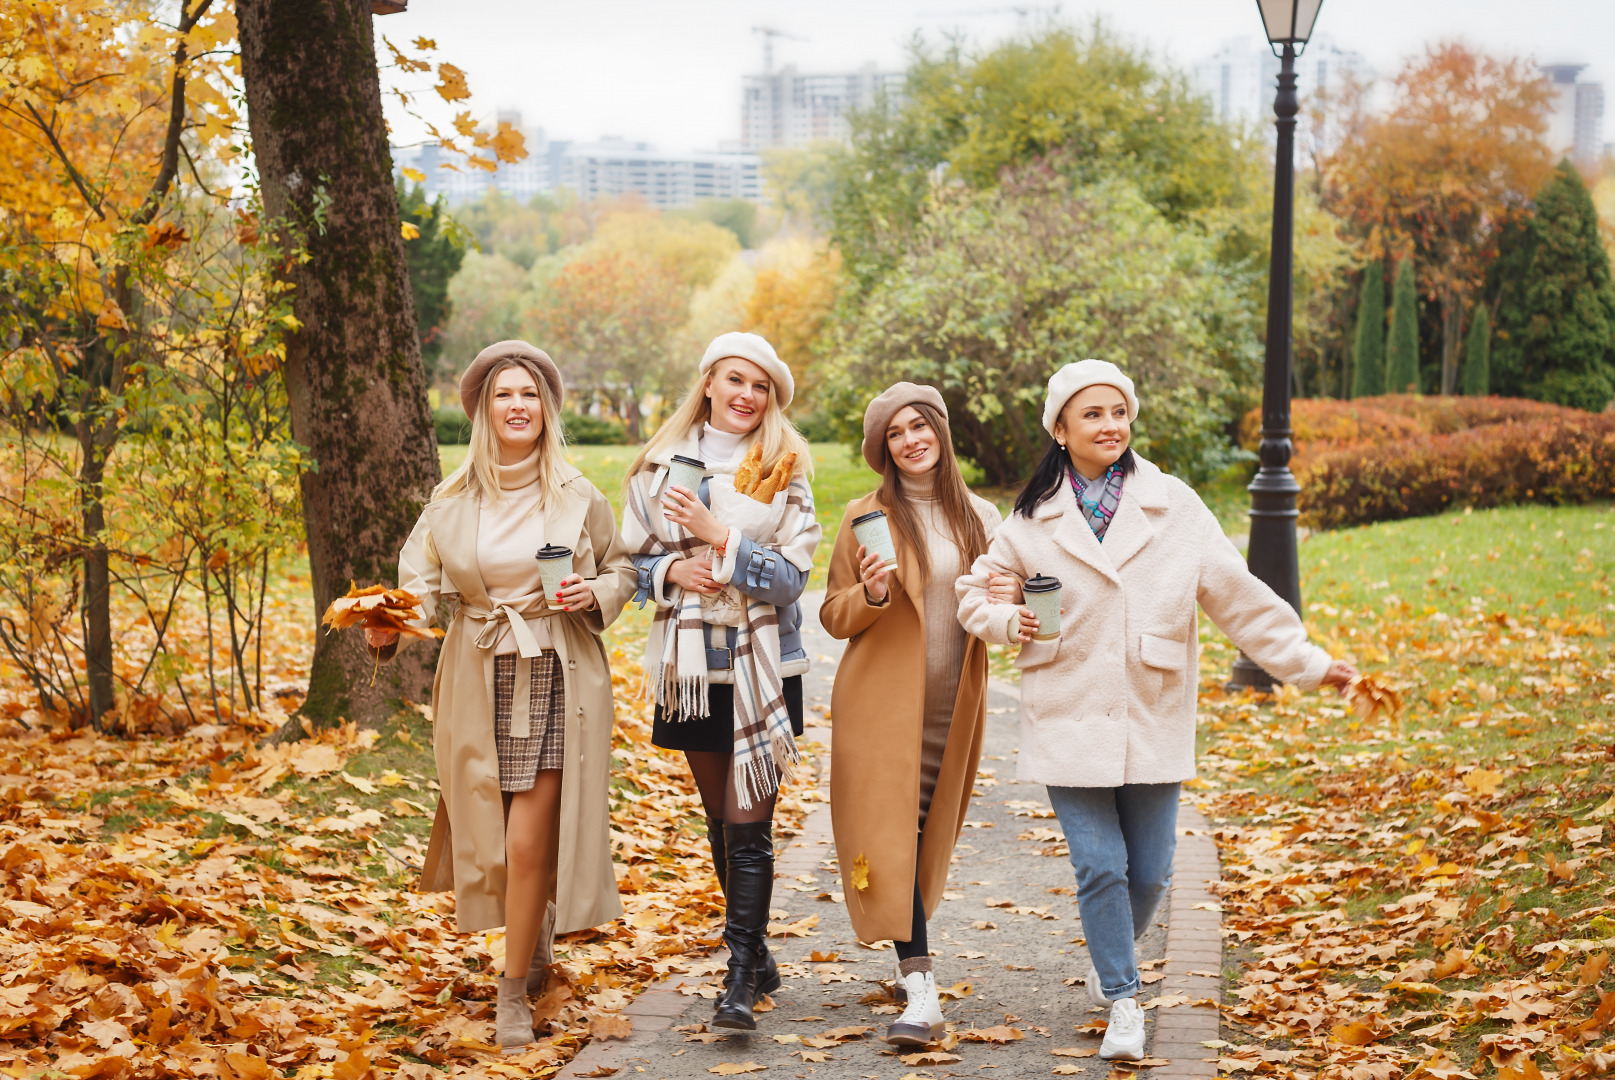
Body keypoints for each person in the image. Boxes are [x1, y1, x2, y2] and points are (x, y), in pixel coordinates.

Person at [956, 359, 1355, 1062]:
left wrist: (1309, 663)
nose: (1109, 425)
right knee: (1101, 866)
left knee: (1151, 873)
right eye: (1092, 414)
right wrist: (1001, 620)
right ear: (1059, 429)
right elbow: (979, 592)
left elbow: (1238, 595)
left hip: (1151, 707)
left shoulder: (1174, 506)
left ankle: (1110, 955)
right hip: (1067, 709)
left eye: (1118, 412)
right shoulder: (1029, 520)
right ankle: (1122, 998)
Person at [365, 341, 637, 1055]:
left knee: (524, 843)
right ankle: (534, 936)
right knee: (488, 835)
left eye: (529, 394)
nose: (517, 406)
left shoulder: (578, 494)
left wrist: (593, 592)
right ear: (484, 411)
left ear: (546, 409)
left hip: (554, 669)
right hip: (479, 671)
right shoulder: (450, 503)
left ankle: (511, 989)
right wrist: (386, 626)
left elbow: (620, 569)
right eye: (502, 395)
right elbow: (416, 585)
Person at [621, 331, 821, 1031]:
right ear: (708, 382)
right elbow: (632, 561)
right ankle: (756, 954)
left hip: (763, 661)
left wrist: (719, 537)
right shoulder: (657, 465)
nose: (745, 395)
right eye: (735, 380)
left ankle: (738, 979)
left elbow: (792, 580)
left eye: (760, 386)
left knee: (748, 817)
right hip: (691, 661)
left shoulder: (786, 468)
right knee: (720, 818)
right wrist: (670, 571)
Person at [820, 384, 1021, 1045]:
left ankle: (910, 968)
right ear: (883, 451)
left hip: (950, 708)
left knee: (923, 842)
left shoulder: (982, 519)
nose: (911, 440)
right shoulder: (864, 516)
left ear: (939, 431)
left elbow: (997, 612)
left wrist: (1009, 606)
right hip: (877, 708)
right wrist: (871, 592)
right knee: (888, 837)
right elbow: (832, 616)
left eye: (919, 426)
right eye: (895, 435)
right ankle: (923, 995)